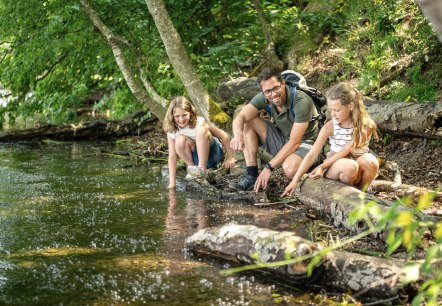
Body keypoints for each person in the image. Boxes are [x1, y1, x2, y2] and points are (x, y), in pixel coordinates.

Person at [230, 67, 320, 192]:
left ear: (283, 83)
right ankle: (251, 174)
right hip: (283, 140)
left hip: (306, 145)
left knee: (290, 168)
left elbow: (295, 142)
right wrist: (238, 135)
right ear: (263, 92)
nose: (273, 94)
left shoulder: (301, 101)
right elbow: (241, 116)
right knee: (247, 122)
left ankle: (309, 165)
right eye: (268, 92)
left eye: (276, 88)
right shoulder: (264, 97)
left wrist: (268, 167)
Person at [281, 83, 379, 197]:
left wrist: (321, 167)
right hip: (334, 166)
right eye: (330, 110)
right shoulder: (330, 126)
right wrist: (295, 180)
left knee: (370, 161)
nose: (333, 114)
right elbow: (312, 154)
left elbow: (347, 150)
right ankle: (348, 194)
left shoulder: (366, 125)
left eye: (337, 110)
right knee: (350, 167)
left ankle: (362, 193)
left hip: (357, 166)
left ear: (351, 106)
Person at [163, 96, 235, 189]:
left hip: (214, 155)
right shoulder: (172, 130)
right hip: (195, 159)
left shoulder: (198, 122)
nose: (181, 119)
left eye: (184, 115)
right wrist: (172, 183)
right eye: (177, 116)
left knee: (201, 130)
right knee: (180, 139)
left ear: (190, 113)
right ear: (172, 116)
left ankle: (202, 169)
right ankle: (193, 170)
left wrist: (231, 157)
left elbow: (223, 135)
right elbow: (172, 157)